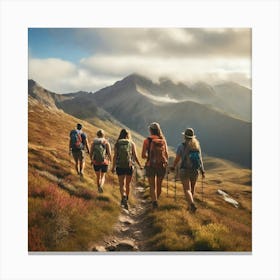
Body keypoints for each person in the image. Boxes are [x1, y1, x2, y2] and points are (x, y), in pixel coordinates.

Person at [171, 128, 205, 213]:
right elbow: (200, 159)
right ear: (193, 137)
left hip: (185, 170)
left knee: (187, 189)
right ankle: (190, 206)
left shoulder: (181, 146)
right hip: (195, 170)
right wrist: (202, 171)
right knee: (192, 189)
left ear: (184, 136)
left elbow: (177, 159)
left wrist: (173, 166)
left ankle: (192, 204)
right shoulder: (196, 145)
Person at [111, 128, 142, 210]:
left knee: (121, 184)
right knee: (128, 184)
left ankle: (123, 197)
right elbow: (135, 156)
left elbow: (115, 157)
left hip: (119, 166)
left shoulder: (117, 144)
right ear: (128, 135)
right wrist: (139, 165)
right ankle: (127, 199)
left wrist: (113, 167)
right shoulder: (131, 143)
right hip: (129, 166)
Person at [142, 122, 168, 209]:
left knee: (152, 186)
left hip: (150, 165)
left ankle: (154, 201)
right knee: (159, 185)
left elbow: (143, 155)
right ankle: (155, 200)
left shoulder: (147, 140)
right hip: (161, 165)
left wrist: (149, 156)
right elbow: (166, 154)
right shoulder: (163, 140)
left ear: (150, 130)